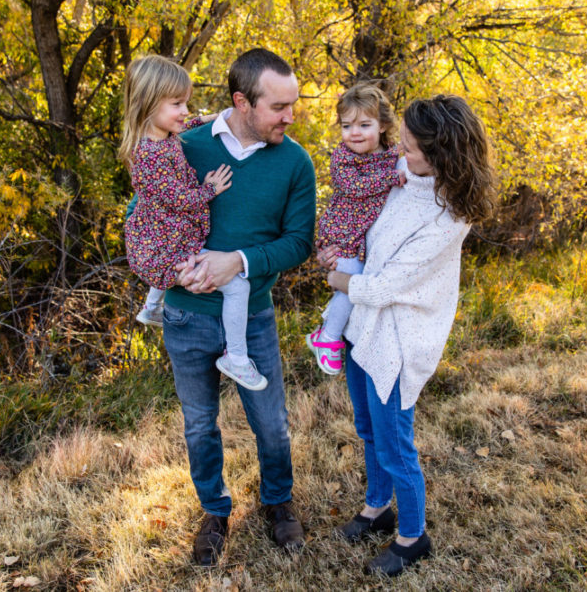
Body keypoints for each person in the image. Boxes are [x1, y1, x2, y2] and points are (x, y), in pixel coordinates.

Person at [319, 94, 496, 577]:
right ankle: (378, 508)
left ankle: (412, 536)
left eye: (411, 147)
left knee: (397, 444)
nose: (400, 150)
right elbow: (357, 220)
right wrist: (335, 248)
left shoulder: (449, 218)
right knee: (367, 429)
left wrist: (339, 280)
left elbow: (387, 285)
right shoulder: (400, 179)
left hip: (398, 342)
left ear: (441, 155)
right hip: (362, 327)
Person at [160, 49, 316, 566]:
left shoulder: (295, 162)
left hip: (252, 316)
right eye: (278, 107)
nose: (289, 116)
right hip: (185, 315)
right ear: (241, 102)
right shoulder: (186, 143)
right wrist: (165, 269)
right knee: (199, 423)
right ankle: (214, 511)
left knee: (270, 422)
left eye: (293, 104)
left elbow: (298, 242)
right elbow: (145, 213)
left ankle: (278, 501)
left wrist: (240, 262)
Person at [121, 55, 267, 391]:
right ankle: (237, 357)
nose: (185, 111)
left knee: (165, 263)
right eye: (177, 104)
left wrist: (214, 117)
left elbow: (186, 125)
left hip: (162, 237)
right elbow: (178, 199)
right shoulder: (149, 155)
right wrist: (209, 189)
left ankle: (151, 307)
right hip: (168, 243)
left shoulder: (160, 132)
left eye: (185, 102)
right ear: (148, 103)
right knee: (238, 287)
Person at [306, 83, 402, 376]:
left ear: (383, 125)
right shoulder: (343, 157)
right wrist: (390, 178)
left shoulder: (394, 155)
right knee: (352, 285)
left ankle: (327, 331)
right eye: (347, 126)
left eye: (364, 124)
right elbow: (353, 186)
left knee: (356, 285)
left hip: (362, 236)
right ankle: (328, 338)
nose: (354, 133)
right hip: (342, 234)